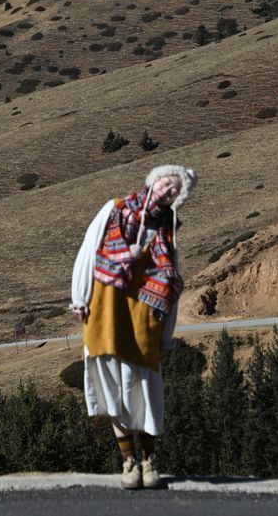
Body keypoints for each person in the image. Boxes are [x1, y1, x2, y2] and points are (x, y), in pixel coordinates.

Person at [71, 163, 198, 489]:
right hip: (106, 311)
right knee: (111, 388)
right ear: (155, 180)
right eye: (166, 183)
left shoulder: (168, 229)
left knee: (143, 391)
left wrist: (166, 334)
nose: (167, 190)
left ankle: (149, 460)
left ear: (177, 198)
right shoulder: (115, 209)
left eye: (175, 190)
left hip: (144, 318)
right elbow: (89, 251)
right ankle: (129, 462)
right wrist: (80, 298)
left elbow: (171, 282)